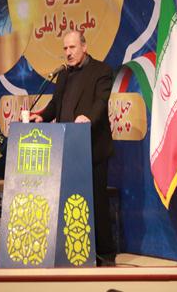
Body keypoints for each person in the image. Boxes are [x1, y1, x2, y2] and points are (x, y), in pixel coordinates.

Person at [32, 30, 116, 267]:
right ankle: (75, 251)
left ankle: (106, 254)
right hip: (67, 149)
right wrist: (42, 117)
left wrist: (88, 118)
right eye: (65, 48)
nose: (68, 53)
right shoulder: (64, 75)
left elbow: (100, 102)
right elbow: (55, 104)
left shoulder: (102, 71)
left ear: (84, 47)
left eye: (72, 47)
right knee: (69, 202)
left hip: (93, 149)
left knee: (96, 202)